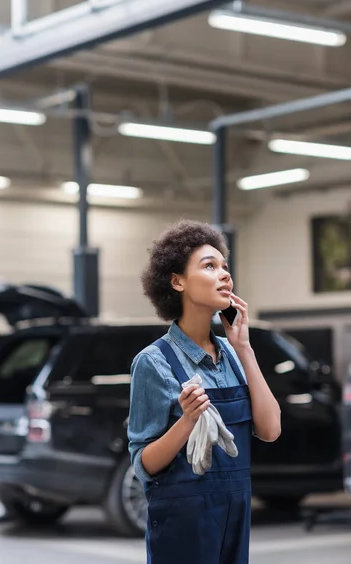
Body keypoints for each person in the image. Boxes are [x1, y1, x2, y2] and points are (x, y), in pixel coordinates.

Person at [128, 220, 281, 564]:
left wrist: (244, 347)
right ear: (177, 281)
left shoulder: (234, 355)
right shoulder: (154, 362)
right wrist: (187, 421)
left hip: (235, 514)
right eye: (209, 266)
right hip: (183, 520)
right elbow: (144, 464)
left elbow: (270, 430)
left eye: (225, 267)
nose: (225, 275)